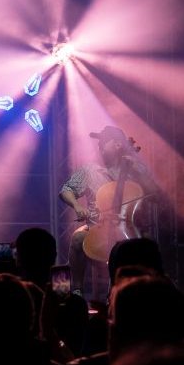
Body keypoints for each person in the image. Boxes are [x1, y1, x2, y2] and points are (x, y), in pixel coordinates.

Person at [59, 125, 155, 295]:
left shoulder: (137, 169)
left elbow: (154, 193)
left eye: (104, 141)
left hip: (131, 228)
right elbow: (66, 190)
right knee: (76, 238)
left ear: (118, 145)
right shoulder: (90, 170)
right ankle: (77, 291)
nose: (99, 145)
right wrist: (78, 206)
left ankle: (141, 292)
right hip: (97, 227)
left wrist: (136, 171)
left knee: (147, 244)